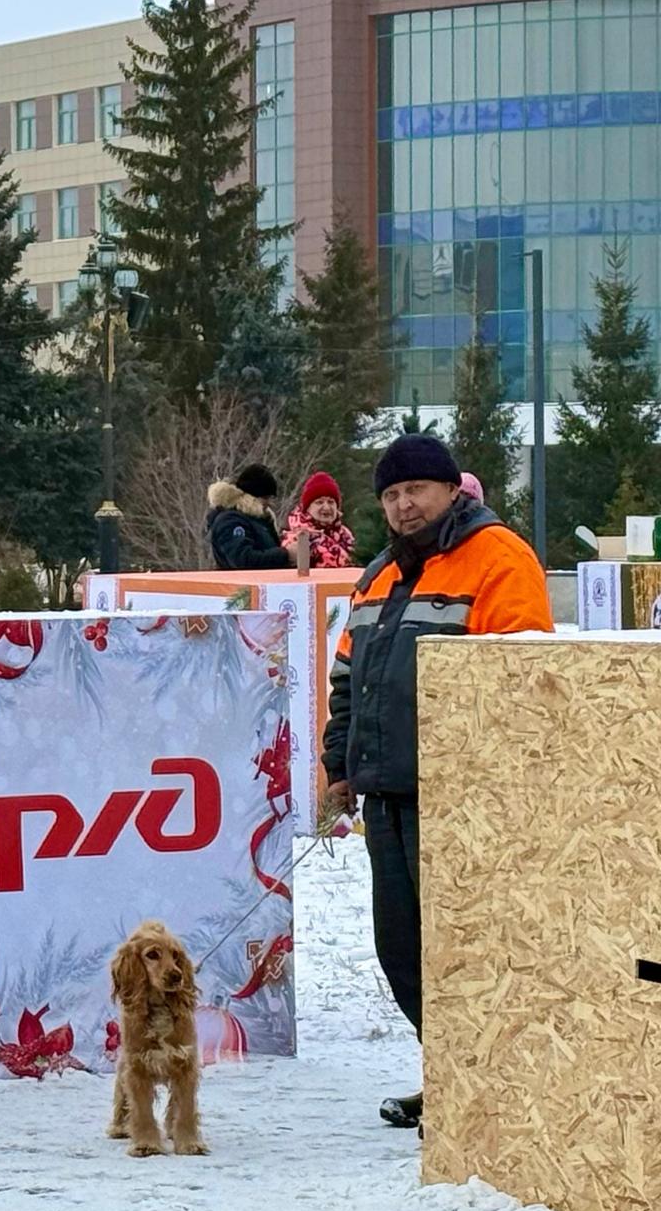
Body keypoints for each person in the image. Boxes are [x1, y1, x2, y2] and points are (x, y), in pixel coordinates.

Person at [321, 435, 551, 1132]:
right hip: (387, 793)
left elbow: (522, 678)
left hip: (463, 801)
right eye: (391, 495)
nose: (403, 505)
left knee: (469, 949)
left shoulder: (499, 557)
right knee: (404, 952)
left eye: (415, 491)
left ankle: (488, 1089)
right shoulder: (379, 575)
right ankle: (450, 1074)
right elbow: (346, 680)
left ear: (452, 490)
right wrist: (340, 766)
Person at [208, 465, 292, 571]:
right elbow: (243, 561)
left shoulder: (260, 520)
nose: (269, 503)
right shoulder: (231, 521)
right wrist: (285, 554)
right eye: (265, 498)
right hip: (241, 586)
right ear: (252, 497)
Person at [282, 470, 357, 571]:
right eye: (319, 502)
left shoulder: (346, 536)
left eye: (331, 502)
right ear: (307, 508)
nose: (326, 507)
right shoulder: (297, 539)